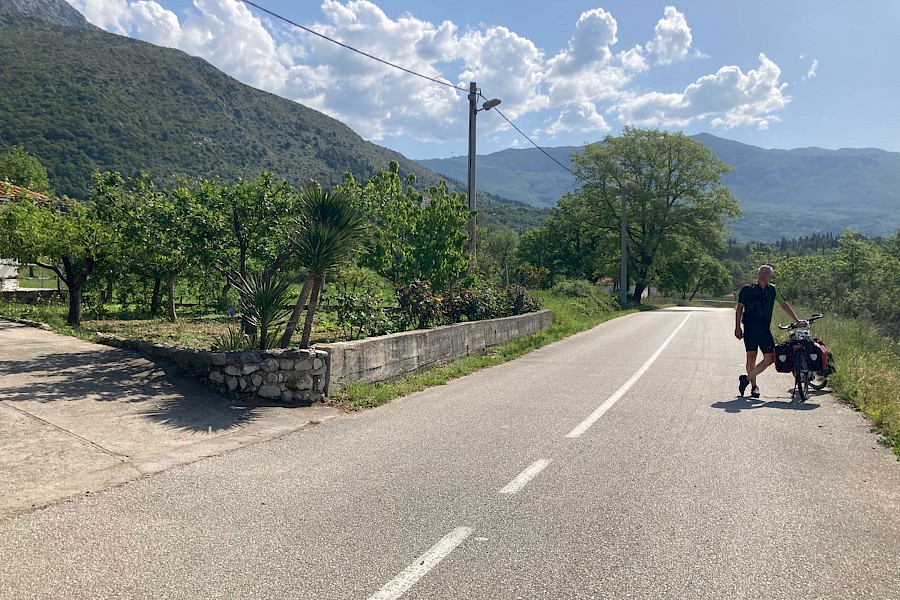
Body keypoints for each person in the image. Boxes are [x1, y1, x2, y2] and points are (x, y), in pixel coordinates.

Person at [734, 264, 800, 398]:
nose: (763, 275)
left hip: (765, 329)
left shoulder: (773, 290)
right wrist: (737, 327)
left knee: (770, 358)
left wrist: (797, 320)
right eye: (761, 272)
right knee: (751, 358)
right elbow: (739, 308)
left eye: (766, 273)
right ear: (757, 274)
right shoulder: (747, 289)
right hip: (750, 328)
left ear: (771, 276)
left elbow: (784, 305)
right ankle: (754, 387)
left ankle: (746, 379)